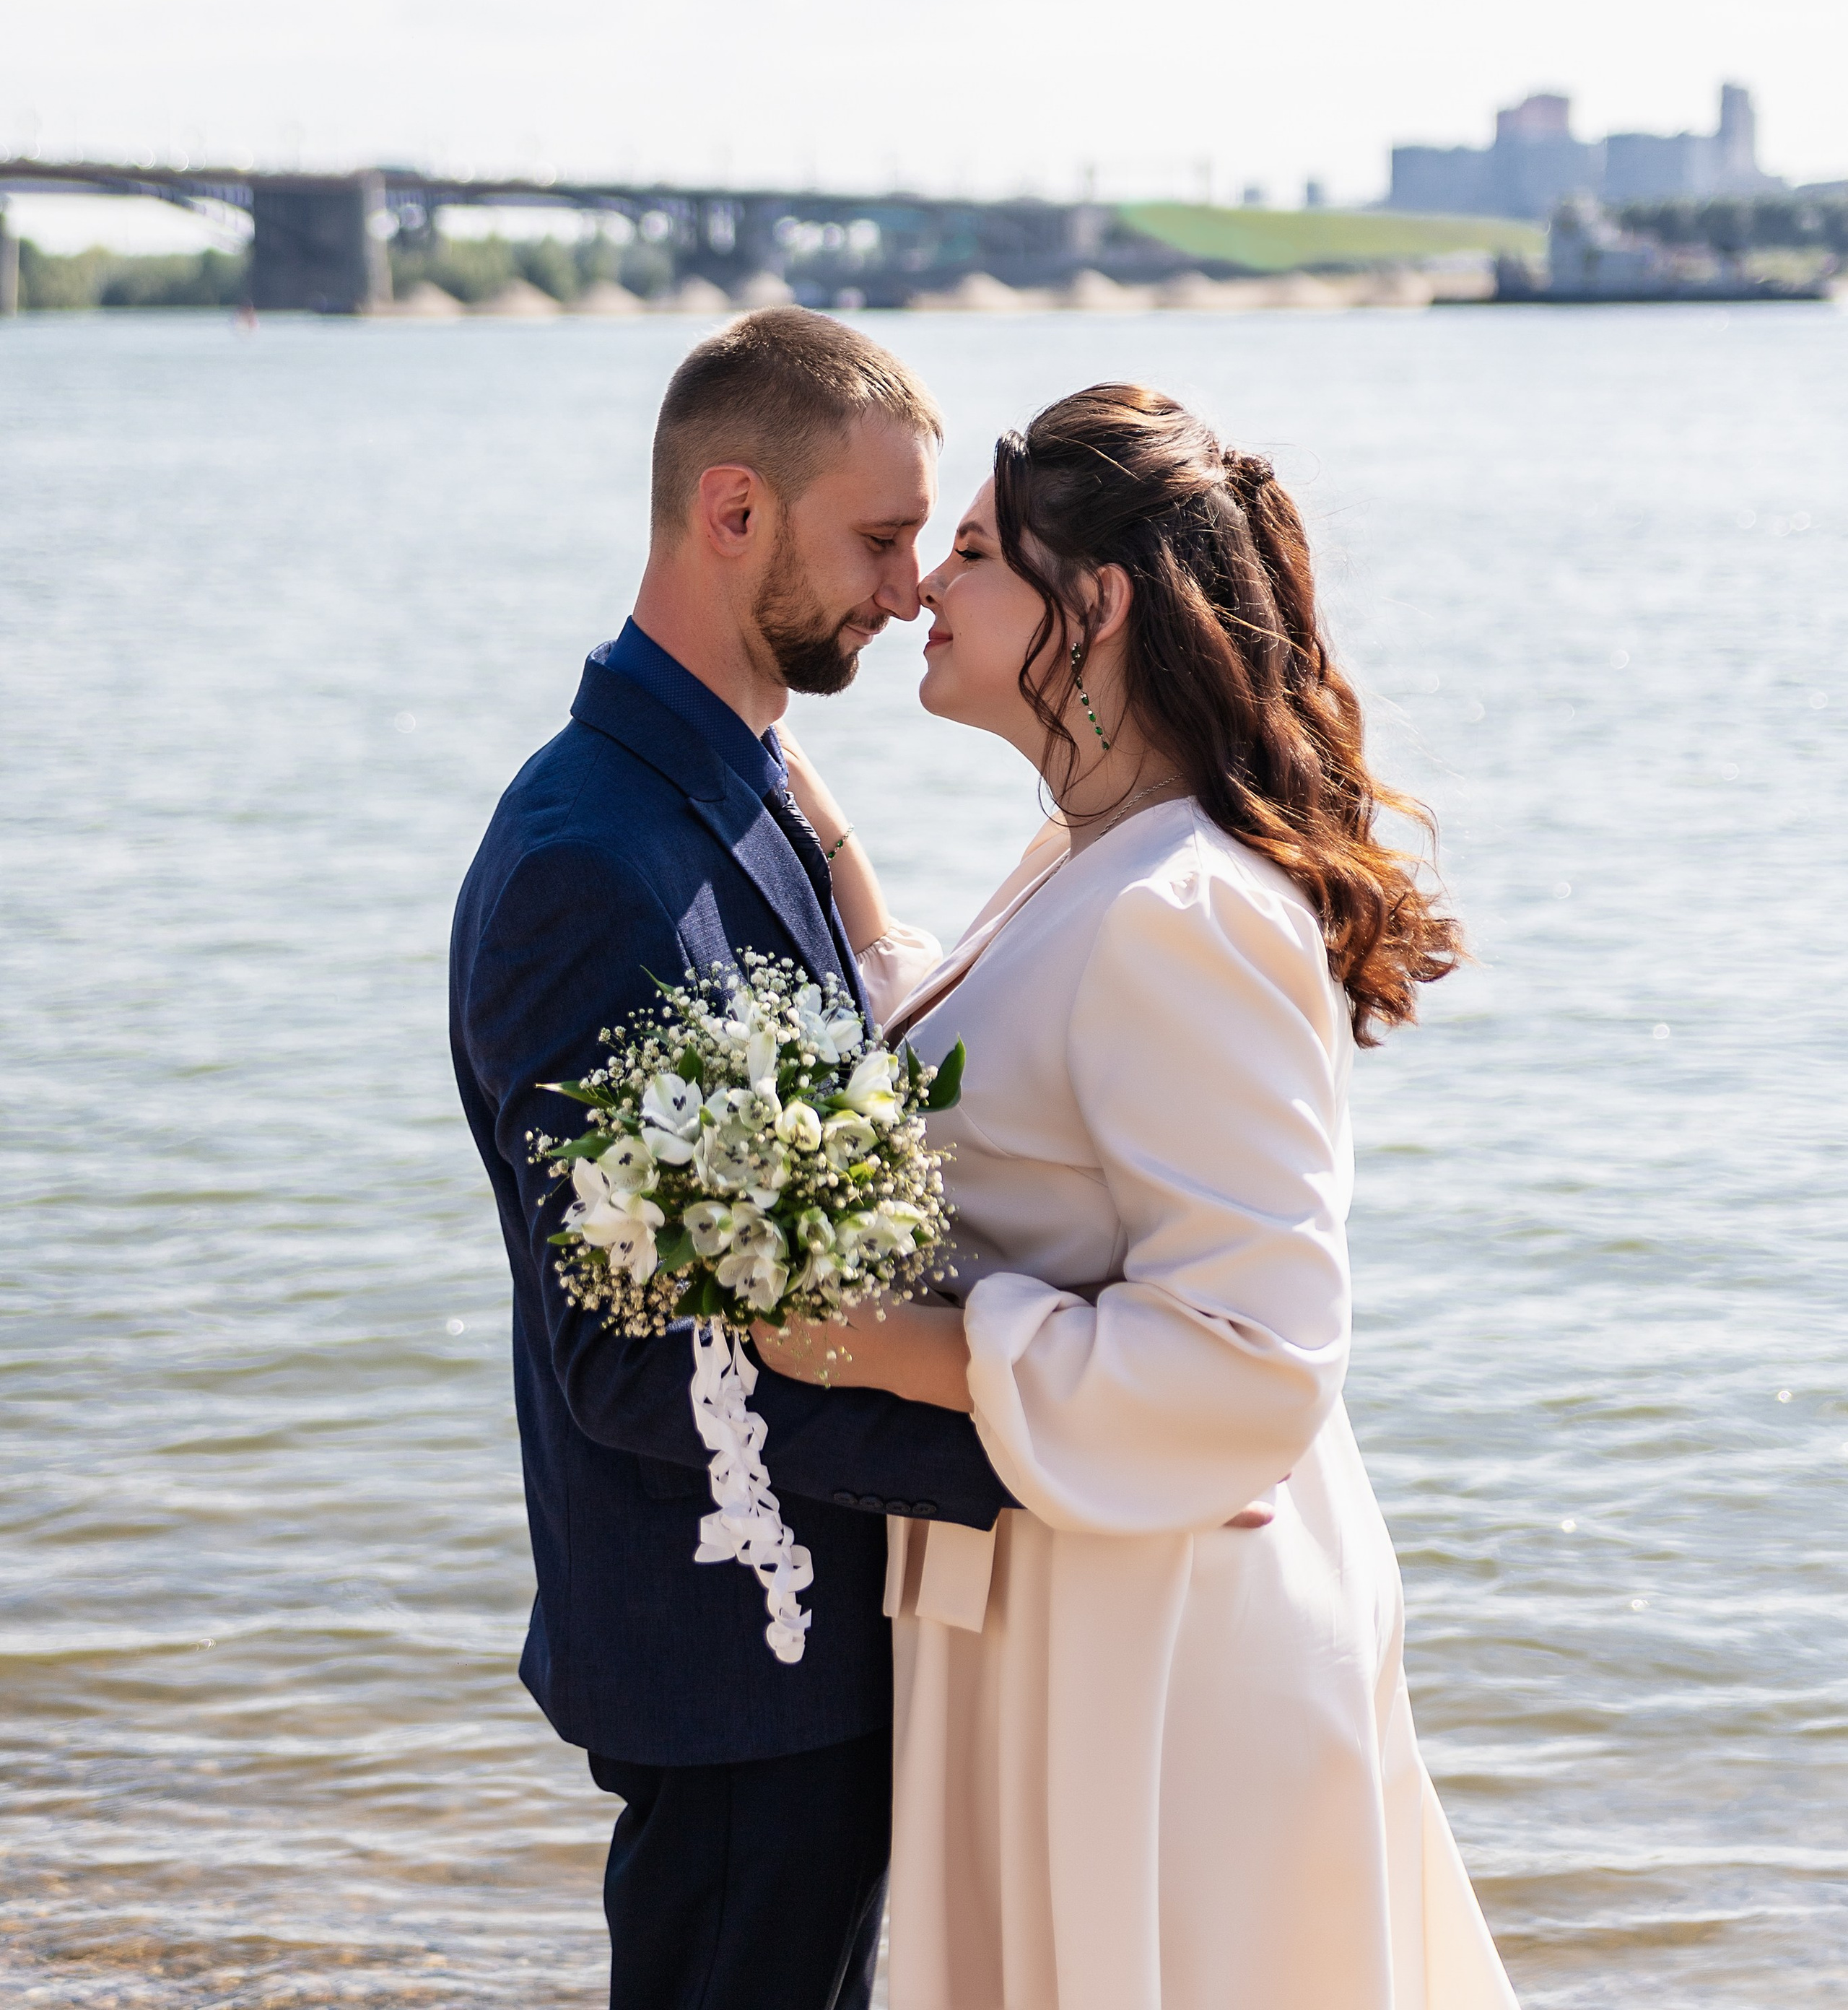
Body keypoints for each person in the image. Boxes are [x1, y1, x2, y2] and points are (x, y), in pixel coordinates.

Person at [756, 383, 1522, 2010]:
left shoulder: (1179, 905)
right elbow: (1017, 1086)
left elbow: (1252, 1357)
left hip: (1164, 1637)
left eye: (966, 553)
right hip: (1076, 1593)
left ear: (1089, 606)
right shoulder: (1085, 859)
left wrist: (882, 1344)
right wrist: (829, 870)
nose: (916, 591)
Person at [450, 309, 1011, 2010]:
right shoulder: (586, 861)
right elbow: (625, 1363)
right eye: (880, 535)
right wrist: (1027, 1467)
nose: (911, 585)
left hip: (811, 1653)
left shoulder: (741, 776)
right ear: (730, 511)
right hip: (725, 1664)